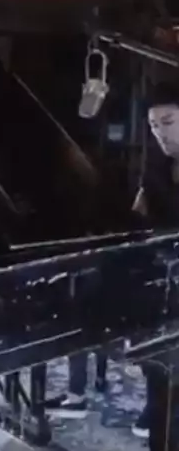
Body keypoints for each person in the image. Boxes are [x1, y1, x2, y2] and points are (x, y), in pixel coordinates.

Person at [131, 80, 179, 449]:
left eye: (168, 122)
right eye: (153, 125)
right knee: (157, 371)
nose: (159, 132)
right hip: (163, 287)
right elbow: (138, 217)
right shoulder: (157, 167)